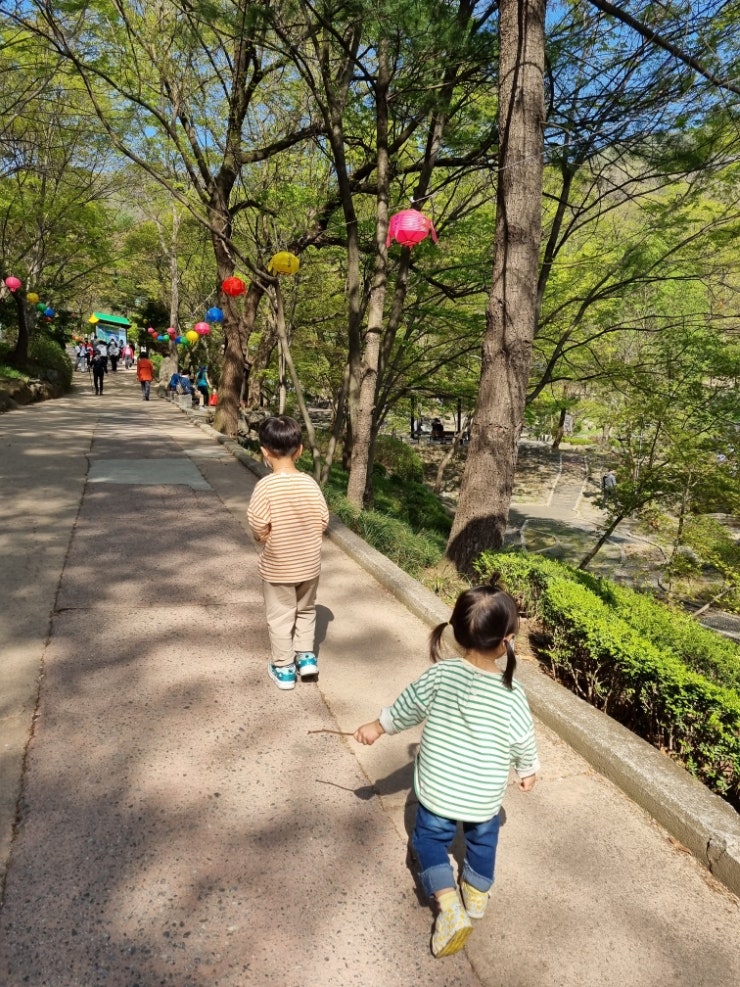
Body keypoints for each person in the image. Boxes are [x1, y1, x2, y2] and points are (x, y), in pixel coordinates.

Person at [354, 584, 539, 959]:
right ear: (506, 641)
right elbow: (523, 739)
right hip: (484, 796)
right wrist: (528, 769)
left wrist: (377, 726)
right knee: (483, 842)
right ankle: (476, 894)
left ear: (456, 630)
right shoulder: (511, 693)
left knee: (427, 841)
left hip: (438, 791)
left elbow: (406, 708)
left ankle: (449, 906)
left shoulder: (441, 675)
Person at [247, 415, 329, 691]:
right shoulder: (309, 483)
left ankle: (283, 668)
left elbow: (258, 523)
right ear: (300, 450)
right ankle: (306, 658)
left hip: (278, 566)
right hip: (308, 564)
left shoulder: (266, 486)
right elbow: (323, 519)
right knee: (305, 609)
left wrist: (264, 537)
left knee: (281, 615)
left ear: (264, 451)